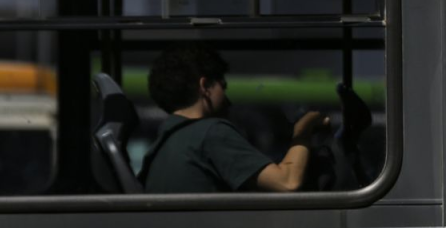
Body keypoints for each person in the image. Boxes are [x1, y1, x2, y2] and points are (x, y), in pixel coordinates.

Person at [141, 43, 371, 194]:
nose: (228, 100)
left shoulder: (164, 142)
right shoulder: (210, 133)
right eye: (223, 86)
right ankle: (345, 142)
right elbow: (287, 182)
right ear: (205, 87)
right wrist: (303, 130)